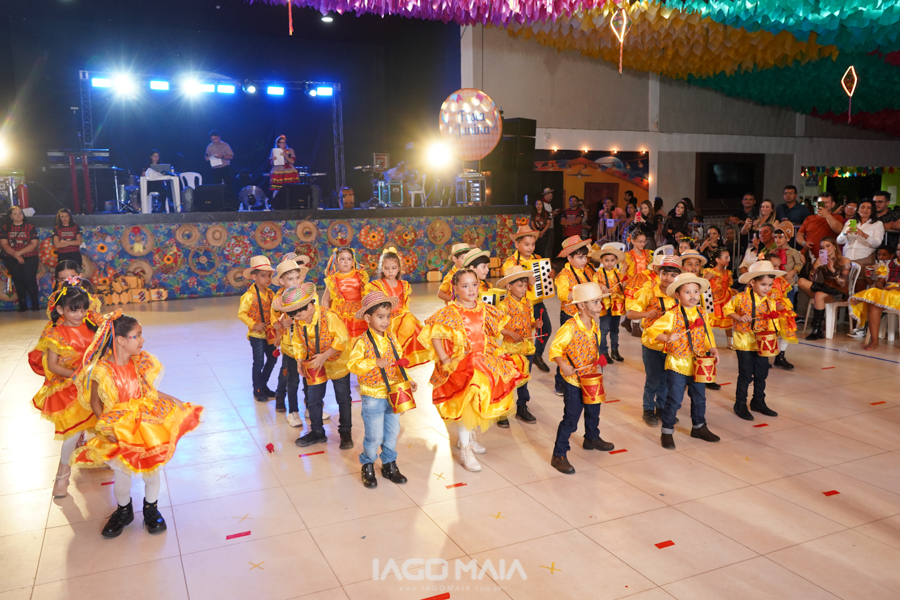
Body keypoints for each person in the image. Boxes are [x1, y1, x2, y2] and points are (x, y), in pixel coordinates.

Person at [71, 312, 203, 538]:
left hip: (144, 426)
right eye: (137, 335)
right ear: (121, 340)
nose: (142, 340)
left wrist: (173, 400)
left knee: (152, 472)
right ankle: (124, 511)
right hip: (119, 429)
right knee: (122, 478)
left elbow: (149, 392)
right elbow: (95, 402)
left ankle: (151, 509)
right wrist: (106, 428)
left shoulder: (140, 362)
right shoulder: (101, 370)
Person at [418, 268, 524, 472]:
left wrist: (508, 335)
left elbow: (493, 329)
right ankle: (465, 449)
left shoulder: (484, 309)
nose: (471, 289)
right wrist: (444, 358)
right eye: (465, 286)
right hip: (461, 364)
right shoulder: (451, 311)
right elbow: (435, 335)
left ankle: (467, 438)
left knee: (477, 399)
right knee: (466, 402)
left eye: (474, 285)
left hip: (482, 360)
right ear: (456, 288)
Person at [30, 284, 99, 498]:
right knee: (72, 434)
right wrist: (77, 375)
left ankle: (104, 457)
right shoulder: (55, 333)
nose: (79, 314)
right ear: (60, 310)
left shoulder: (92, 326)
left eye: (83, 309)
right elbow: (53, 366)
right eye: (73, 310)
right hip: (68, 389)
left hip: (93, 383)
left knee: (101, 423)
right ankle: (62, 477)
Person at [348, 290, 416, 488]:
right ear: (368, 318)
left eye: (388, 316)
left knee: (392, 432)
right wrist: (373, 362)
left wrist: (408, 380)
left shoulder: (392, 339)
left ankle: (389, 464)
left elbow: (399, 364)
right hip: (373, 395)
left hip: (393, 393)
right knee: (374, 435)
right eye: (380, 317)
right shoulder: (362, 342)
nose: (385, 321)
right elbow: (353, 365)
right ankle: (368, 464)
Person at [647, 272, 721, 449]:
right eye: (687, 292)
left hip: (698, 363)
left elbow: (707, 333)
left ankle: (699, 427)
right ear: (678, 295)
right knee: (674, 399)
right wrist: (667, 337)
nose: (693, 296)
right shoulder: (672, 315)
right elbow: (651, 331)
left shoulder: (702, 313)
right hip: (678, 364)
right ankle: (667, 431)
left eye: (695, 291)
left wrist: (713, 348)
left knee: (699, 397)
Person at [549, 281, 614, 474]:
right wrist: (564, 365)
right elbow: (555, 349)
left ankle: (591, 438)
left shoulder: (594, 325)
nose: (600, 306)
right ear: (581, 305)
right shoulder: (569, 327)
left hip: (591, 377)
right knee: (571, 418)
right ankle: (559, 454)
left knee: (594, 410)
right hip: (574, 381)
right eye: (595, 302)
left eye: (600, 301)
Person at [289, 283, 354, 449]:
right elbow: (297, 342)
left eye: (300, 314)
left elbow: (342, 338)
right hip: (315, 363)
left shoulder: (328, 316)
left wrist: (324, 356)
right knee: (313, 399)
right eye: (295, 316)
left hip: (337, 361)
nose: (298, 318)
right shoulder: (299, 320)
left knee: (343, 399)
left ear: (310, 305)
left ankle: (345, 433)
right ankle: (317, 432)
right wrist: (299, 361)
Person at [625, 255, 683, 426]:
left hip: (671, 345)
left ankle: (661, 408)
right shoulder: (649, 292)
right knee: (653, 380)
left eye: (673, 275)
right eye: (665, 273)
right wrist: (646, 314)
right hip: (651, 344)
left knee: (666, 379)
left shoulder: (679, 295)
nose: (668, 278)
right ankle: (648, 409)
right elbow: (630, 314)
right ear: (659, 273)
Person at [724, 261, 785, 420]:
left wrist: (774, 337)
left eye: (770, 285)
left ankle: (758, 401)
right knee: (745, 374)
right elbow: (727, 309)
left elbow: (772, 322)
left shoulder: (770, 301)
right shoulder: (740, 297)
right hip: (745, 341)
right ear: (752, 282)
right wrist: (738, 317)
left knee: (761, 373)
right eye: (763, 284)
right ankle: (740, 404)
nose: (767, 288)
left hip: (762, 343)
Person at [364, 248, 430, 368]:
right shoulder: (378, 285)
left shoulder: (404, 285)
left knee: (410, 322)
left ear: (399, 268)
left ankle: (398, 361)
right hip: (386, 319)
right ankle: (390, 361)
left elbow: (404, 305)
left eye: (393, 268)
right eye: (387, 268)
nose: (390, 271)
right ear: (382, 268)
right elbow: (374, 307)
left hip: (401, 319)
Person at [502, 226, 554, 373]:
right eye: (526, 244)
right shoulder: (510, 263)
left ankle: (537, 355)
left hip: (537, 303)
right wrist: (526, 281)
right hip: (519, 306)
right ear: (517, 244)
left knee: (546, 329)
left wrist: (549, 275)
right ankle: (519, 362)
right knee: (522, 334)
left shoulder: (538, 259)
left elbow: (544, 280)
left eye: (533, 244)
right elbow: (508, 284)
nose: (530, 248)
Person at [496, 265, 539, 427]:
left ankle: (522, 407)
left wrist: (535, 324)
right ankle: (502, 411)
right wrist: (511, 333)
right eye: (519, 285)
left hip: (527, 348)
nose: (523, 289)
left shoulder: (528, 302)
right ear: (509, 286)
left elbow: (530, 321)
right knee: (508, 380)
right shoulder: (503, 305)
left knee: (524, 379)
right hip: (510, 350)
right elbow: (498, 327)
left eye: (525, 285)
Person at [554, 235, 596, 395]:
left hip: (585, 316)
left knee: (583, 349)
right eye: (579, 257)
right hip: (570, 316)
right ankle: (560, 382)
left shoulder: (588, 271)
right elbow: (562, 295)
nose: (584, 260)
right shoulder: (564, 275)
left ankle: (580, 378)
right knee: (567, 350)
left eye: (585, 256)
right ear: (569, 258)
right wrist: (583, 291)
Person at [271, 256, 309, 427]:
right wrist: (280, 324)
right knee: (292, 380)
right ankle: (293, 412)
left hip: (307, 343)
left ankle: (311, 407)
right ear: (282, 281)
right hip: (290, 346)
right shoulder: (278, 299)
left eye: (297, 278)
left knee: (309, 378)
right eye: (290, 279)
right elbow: (273, 320)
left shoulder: (307, 294)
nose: (295, 282)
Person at [237, 256, 278, 403]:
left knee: (272, 358)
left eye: (269, 276)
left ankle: (263, 384)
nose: (267, 279)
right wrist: (253, 324)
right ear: (254, 277)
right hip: (256, 334)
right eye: (263, 276)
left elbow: (274, 312)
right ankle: (257, 389)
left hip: (270, 333)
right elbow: (241, 313)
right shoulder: (249, 296)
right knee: (259, 361)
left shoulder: (271, 294)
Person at [797, 237, 851, 340]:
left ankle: (816, 330)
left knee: (818, 294)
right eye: (822, 247)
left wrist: (833, 271)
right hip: (824, 290)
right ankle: (818, 330)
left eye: (828, 246)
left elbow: (842, 283)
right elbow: (812, 280)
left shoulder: (845, 261)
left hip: (839, 293)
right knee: (801, 281)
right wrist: (815, 267)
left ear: (834, 247)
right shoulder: (822, 260)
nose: (825, 249)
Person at [851, 242, 900, 351]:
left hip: (897, 293)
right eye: (898, 249)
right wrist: (882, 287)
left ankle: (861, 300)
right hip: (888, 291)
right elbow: (880, 282)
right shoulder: (889, 264)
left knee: (882, 296)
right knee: (874, 304)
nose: (899, 252)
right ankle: (874, 340)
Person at [322, 248, 369, 339]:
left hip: (358, 311)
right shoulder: (333, 279)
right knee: (343, 336)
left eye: (349, 259)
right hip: (340, 313)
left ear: (353, 261)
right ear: (336, 262)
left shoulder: (360, 275)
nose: (346, 262)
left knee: (358, 336)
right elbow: (325, 299)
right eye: (342, 259)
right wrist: (327, 315)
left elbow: (367, 295)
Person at [0, 206, 40, 311]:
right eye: (15, 214)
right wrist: (16, 255)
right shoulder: (6, 228)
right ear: (10, 216)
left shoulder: (29, 227)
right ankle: (22, 304)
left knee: (29, 279)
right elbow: (4, 244)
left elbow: (34, 243)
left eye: (20, 213)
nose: (19, 216)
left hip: (30, 257)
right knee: (18, 280)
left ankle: (35, 302)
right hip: (11, 257)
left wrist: (19, 253)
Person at [763, 253, 798, 369]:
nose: (777, 268)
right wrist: (774, 305)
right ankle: (764, 356)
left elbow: (782, 294)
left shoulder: (780, 280)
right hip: (766, 310)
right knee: (768, 332)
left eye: (778, 266)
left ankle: (780, 356)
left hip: (780, 310)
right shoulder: (761, 280)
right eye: (774, 266)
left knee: (786, 328)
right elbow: (760, 297)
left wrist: (783, 305)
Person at [592, 243, 625, 363]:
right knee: (604, 329)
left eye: (612, 260)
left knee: (615, 329)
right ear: (601, 261)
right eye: (607, 260)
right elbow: (594, 286)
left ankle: (615, 351)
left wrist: (624, 285)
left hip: (617, 305)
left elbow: (622, 287)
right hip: (604, 305)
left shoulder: (618, 273)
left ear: (616, 261)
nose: (610, 263)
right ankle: (603, 352)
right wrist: (600, 286)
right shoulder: (598, 274)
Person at [837, 199, 884, 271]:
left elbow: (877, 244)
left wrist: (864, 235)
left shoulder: (877, 224)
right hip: (846, 257)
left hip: (864, 257)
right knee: (844, 277)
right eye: (862, 207)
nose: (865, 210)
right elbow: (839, 241)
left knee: (861, 278)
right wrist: (844, 233)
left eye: (869, 208)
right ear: (858, 210)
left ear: (872, 211)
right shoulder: (850, 222)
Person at [796, 192, 846, 257]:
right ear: (817, 204)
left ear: (832, 204)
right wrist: (804, 243)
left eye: (827, 202)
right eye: (821, 203)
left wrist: (827, 215)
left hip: (827, 256)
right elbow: (799, 234)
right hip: (808, 256)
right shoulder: (809, 218)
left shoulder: (838, 218)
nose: (824, 205)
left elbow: (839, 230)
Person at [704, 248, 735, 349]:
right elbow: (703, 284)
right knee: (709, 320)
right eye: (726, 257)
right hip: (713, 300)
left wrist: (732, 290)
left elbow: (726, 285)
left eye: (729, 257)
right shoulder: (710, 271)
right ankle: (707, 341)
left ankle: (730, 342)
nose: (729, 259)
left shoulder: (727, 272)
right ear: (718, 260)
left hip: (726, 299)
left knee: (728, 320)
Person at [771, 225, 804, 306]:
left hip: (788, 283)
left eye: (780, 237)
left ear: (788, 239)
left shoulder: (793, 252)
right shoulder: (773, 252)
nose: (777, 240)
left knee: (788, 304)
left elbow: (799, 264)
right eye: (775, 237)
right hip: (775, 283)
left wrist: (792, 272)